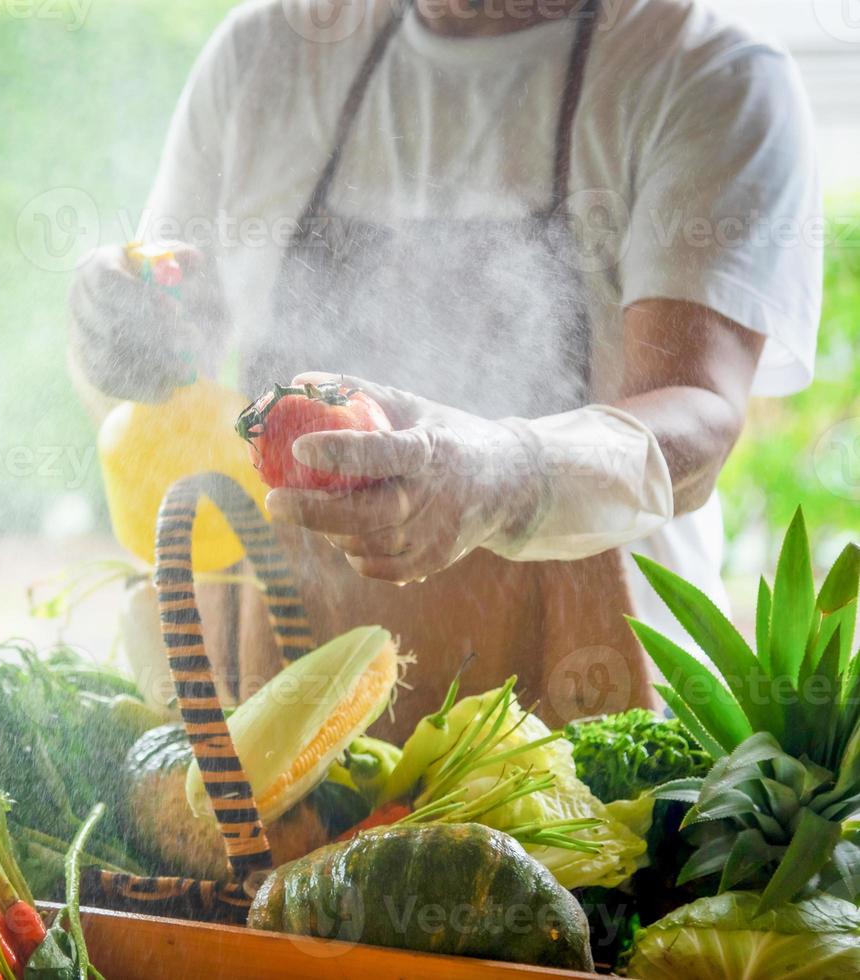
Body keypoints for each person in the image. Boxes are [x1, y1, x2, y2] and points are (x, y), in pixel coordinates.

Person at [68, 0, 821, 736]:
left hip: (590, 731)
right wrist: (122, 329)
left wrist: (496, 478)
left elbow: (695, 411)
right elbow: (161, 361)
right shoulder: (271, 49)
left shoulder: (706, 72)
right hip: (283, 734)